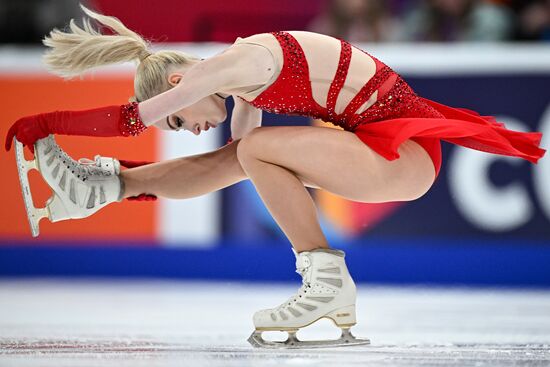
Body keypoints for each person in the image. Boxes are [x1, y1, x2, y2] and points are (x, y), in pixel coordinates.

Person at [5, 5, 546, 348]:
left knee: (257, 149)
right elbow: (229, 163)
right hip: (392, 151)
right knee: (248, 153)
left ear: (178, 82)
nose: (188, 127)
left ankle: (328, 282)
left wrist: (47, 124)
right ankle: (106, 189)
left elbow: (131, 120)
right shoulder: (243, 80)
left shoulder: (228, 68)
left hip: (400, 155)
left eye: (177, 115)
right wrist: (131, 183)